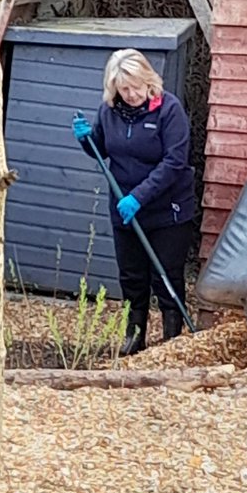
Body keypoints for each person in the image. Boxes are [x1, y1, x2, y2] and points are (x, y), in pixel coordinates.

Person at [72, 48, 196, 356]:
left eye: (135, 87)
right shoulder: (109, 111)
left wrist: (139, 197)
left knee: (166, 273)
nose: (130, 94)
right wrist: (87, 140)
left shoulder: (169, 110)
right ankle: (134, 335)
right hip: (124, 207)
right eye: (123, 89)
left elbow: (174, 162)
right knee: (131, 275)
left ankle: (171, 341)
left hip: (168, 209)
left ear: (148, 80)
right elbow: (103, 150)